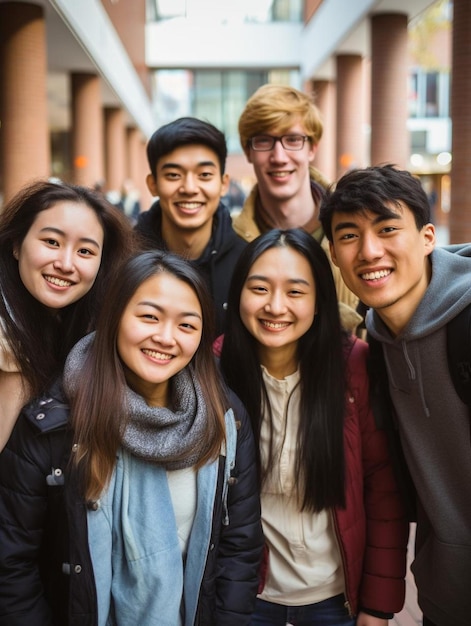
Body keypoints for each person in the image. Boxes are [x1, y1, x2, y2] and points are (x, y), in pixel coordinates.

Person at [0, 249, 264, 625]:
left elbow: (240, 547)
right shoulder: (55, 422)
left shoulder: (225, 418)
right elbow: (13, 562)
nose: (166, 338)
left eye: (187, 325)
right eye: (149, 317)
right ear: (114, 316)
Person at [219, 228, 408, 626]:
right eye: (259, 288)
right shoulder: (214, 370)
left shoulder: (353, 365)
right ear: (238, 294)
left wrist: (377, 607)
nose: (275, 306)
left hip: (335, 602)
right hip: (244, 599)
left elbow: (382, 490)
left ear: (320, 301)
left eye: (295, 291)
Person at [319, 164, 471, 626]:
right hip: (445, 597)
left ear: (427, 237)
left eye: (387, 229)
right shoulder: (375, 349)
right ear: (333, 253)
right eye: (349, 236)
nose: (369, 251)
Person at [0, 179, 136, 451]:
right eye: (52, 242)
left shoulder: (90, 329)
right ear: (16, 244)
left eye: (84, 251)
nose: (65, 264)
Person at [234, 84, 361, 333]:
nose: (279, 156)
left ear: (312, 148)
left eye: (293, 140)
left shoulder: (358, 227)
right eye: (264, 141)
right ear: (248, 152)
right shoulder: (231, 240)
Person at [135, 117, 247, 337]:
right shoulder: (125, 256)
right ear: (153, 184)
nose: (189, 188)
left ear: (224, 183)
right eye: (173, 175)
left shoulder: (247, 262)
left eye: (204, 175)